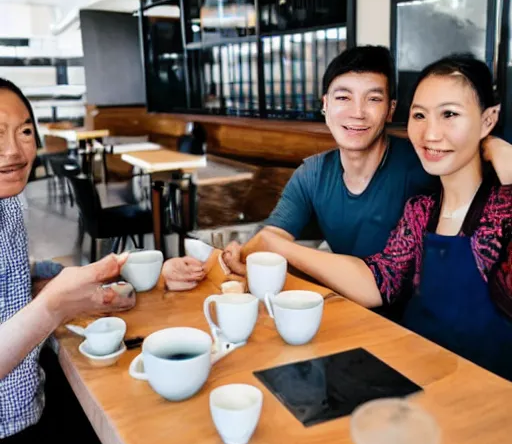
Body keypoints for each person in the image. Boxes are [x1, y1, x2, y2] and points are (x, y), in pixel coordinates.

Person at [232, 55, 512, 380]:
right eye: (420, 115)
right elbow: (380, 280)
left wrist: (497, 150)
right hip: (416, 373)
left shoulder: (502, 209)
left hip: (489, 398)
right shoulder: (420, 211)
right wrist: (270, 245)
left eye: (449, 114)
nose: (431, 133)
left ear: (489, 119)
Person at [161, 46, 436, 289]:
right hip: (346, 313)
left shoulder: (421, 169)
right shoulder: (313, 173)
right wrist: (207, 266)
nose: (358, 112)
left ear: (390, 109)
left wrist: (270, 248)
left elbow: (275, 244)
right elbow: (272, 237)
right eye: (343, 98)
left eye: (373, 99)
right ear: (325, 105)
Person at [0, 77, 135, 444]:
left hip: (33, 393)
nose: (13, 149)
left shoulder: (9, 203)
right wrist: (54, 305)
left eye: (25, 130)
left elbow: (10, 274)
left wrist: (63, 278)